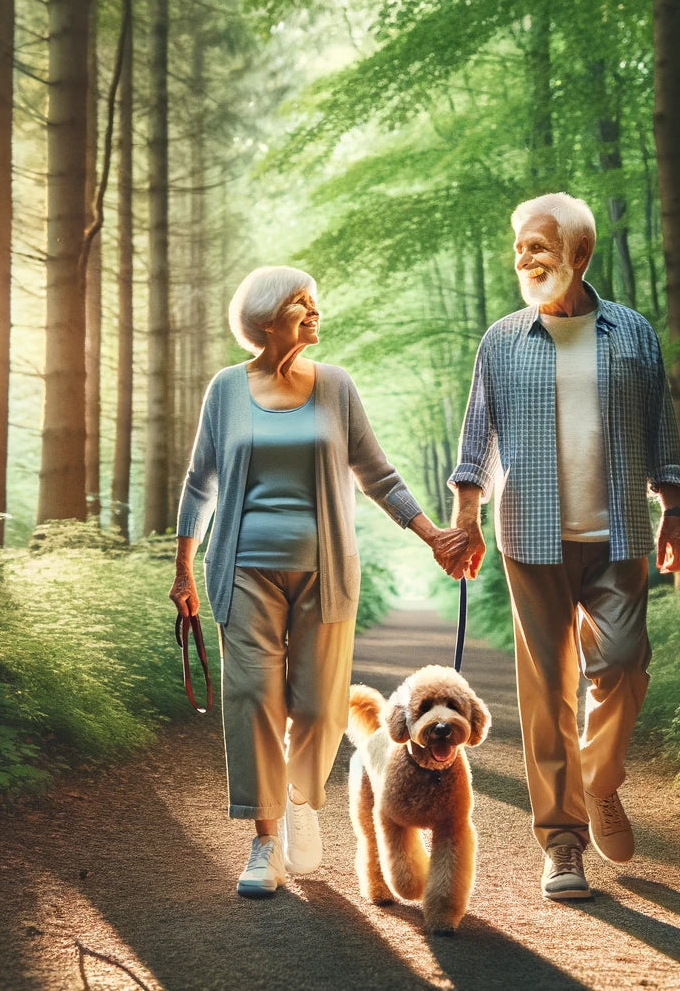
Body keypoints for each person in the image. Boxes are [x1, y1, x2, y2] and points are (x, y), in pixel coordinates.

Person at [172, 265, 468, 898]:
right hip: (242, 570)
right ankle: (262, 841)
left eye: (314, 301)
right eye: (300, 303)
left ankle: (302, 804)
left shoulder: (336, 386)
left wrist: (434, 534)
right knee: (254, 700)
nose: (313, 311)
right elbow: (201, 484)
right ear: (266, 316)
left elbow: (379, 475)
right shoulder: (226, 390)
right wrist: (183, 568)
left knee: (319, 705)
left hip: (325, 572)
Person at [442, 193, 680, 901]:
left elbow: (662, 433)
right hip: (530, 534)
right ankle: (561, 842)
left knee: (620, 663)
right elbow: (475, 445)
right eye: (519, 247)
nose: (525, 260)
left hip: (620, 531)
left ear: (579, 254)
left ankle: (598, 780)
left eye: (539, 247)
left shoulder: (634, 334)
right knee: (547, 691)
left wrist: (676, 509)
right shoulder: (502, 339)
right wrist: (465, 519)